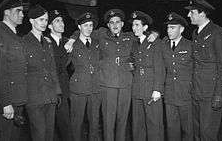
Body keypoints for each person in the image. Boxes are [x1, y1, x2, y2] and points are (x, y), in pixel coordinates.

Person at [64, 9, 158, 141]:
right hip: (107, 85)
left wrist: (154, 33)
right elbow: (83, 30)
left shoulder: (130, 36)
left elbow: (147, 34)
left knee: (122, 121)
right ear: (108, 25)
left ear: (122, 24)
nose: (115, 25)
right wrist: (72, 40)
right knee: (108, 122)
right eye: (111, 22)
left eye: (118, 22)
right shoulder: (101, 34)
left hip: (126, 85)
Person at [185, 0, 222, 141]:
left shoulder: (217, 33)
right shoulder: (196, 33)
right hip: (196, 92)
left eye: (192, 12)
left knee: (208, 135)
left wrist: (220, 93)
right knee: (197, 133)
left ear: (202, 13)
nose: (188, 15)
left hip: (211, 93)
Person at [23, 4, 61, 141]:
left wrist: (57, 92)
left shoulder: (48, 42)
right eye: (41, 19)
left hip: (50, 96)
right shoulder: (23, 42)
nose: (44, 23)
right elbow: (21, 72)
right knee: (39, 134)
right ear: (31, 21)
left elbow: (52, 69)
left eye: (46, 20)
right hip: (33, 97)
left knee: (49, 134)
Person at [0, 0, 28, 141]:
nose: (22, 14)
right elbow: (0, 71)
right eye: (18, 11)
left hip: (18, 100)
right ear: (6, 12)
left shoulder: (16, 35)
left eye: (22, 11)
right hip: (7, 103)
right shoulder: (0, 34)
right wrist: (5, 103)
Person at [130, 11, 165, 141]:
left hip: (151, 90)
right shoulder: (133, 43)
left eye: (137, 25)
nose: (134, 28)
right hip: (137, 89)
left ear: (145, 28)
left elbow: (160, 68)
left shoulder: (156, 43)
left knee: (154, 125)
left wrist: (158, 89)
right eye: (133, 25)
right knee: (137, 126)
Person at [68, 12, 101, 141]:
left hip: (95, 89)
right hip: (78, 89)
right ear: (79, 27)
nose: (89, 28)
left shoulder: (97, 43)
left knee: (94, 122)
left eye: (91, 25)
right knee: (76, 123)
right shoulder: (72, 44)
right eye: (85, 25)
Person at [163, 12, 193, 141]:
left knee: (188, 130)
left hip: (186, 94)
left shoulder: (190, 46)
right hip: (169, 95)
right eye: (168, 27)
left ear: (182, 29)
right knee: (171, 130)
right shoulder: (163, 45)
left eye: (173, 27)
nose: (169, 31)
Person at [47, 10, 73, 141]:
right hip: (48, 90)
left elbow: (85, 31)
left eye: (62, 20)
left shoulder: (68, 42)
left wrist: (72, 39)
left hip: (63, 90)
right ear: (50, 26)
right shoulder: (45, 41)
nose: (62, 23)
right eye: (57, 21)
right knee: (48, 129)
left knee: (65, 127)